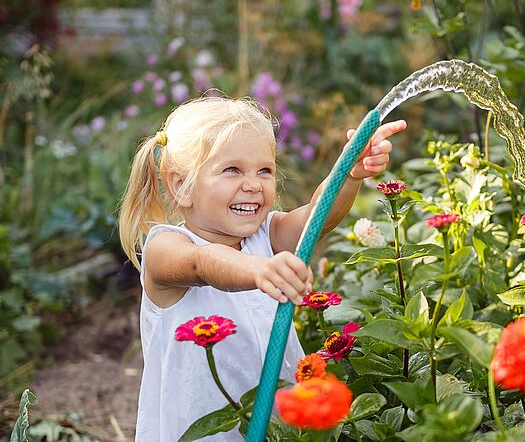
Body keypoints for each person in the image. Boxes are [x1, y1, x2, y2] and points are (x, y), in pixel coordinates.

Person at [118, 96, 406, 440]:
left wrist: (350, 173)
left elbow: (318, 216)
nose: (253, 184)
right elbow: (203, 263)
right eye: (232, 170)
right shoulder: (165, 247)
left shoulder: (265, 235)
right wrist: (258, 270)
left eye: (264, 170)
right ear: (181, 185)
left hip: (276, 429)